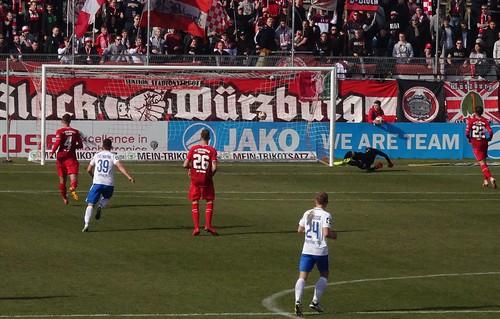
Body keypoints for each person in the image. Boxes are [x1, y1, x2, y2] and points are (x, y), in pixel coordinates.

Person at [294, 191, 337, 316]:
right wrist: (334, 235)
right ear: (326, 203)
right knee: (324, 274)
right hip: (320, 250)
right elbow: (326, 233)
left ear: (315, 200)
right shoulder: (326, 215)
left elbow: (299, 230)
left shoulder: (308, 213)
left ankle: (297, 301)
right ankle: (315, 301)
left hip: (307, 249)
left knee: (302, 276)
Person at [82, 138, 135, 232]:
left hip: (97, 182)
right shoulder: (113, 156)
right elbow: (120, 166)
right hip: (108, 183)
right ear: (111, 147)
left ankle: (86, 224)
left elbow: (88, 169)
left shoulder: (97, 155)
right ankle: (100, 206)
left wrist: (93, 176)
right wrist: (128, 176)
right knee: (106, 198)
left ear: (102, 146)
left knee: (90, 204)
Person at [183, 129, 218, 236]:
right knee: (209, 200)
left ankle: (197, 228)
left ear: (200, 137)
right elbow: (215, 167)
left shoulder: (193, 148)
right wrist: (209, 175)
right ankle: (208, 225)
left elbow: (185, 165)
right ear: (209, 138)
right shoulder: (212, 150)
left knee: (195, 201)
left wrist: (191, 168)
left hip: (195, 179)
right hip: (206, 179)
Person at [49, 114, 84, 205]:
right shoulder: (75, 132)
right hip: (71, 158)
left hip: (61, 158)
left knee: (62, 181)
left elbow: (57, 143)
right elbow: (80, 145)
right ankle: (73, 187)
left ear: (62, 121)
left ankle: (65, 198)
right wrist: (73, 147)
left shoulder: (60, 131)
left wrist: (52, 152)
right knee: (73, 178)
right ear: (70, 121)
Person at [465, 106, 496, 188]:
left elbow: (467, 133)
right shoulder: (485, 121)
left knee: (481, 163)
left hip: (476, 142)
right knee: (484, 162)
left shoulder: (471, 121)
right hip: (484, 142)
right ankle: (485, 181)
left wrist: (469, 139)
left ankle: (491, 178)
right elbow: (491, 132)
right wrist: (489, 138)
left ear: (475, 112)